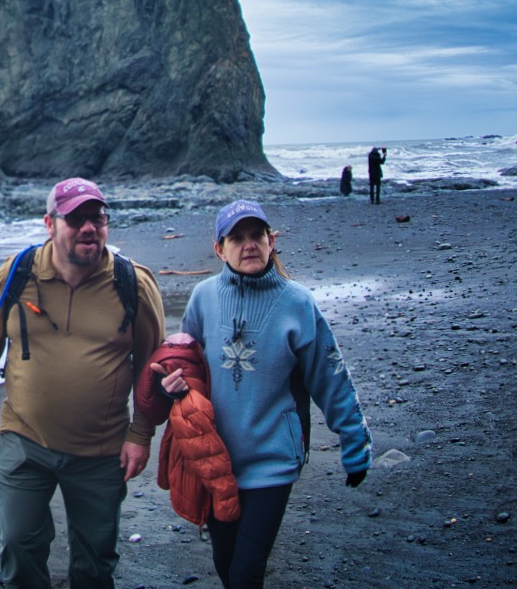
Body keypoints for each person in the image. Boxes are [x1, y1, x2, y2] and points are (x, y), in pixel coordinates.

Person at [0, 177, 165, 589]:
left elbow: (151, 366)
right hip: (24, 438)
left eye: (97, 217)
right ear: (50, 224)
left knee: (95, 559)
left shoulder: (133, 283)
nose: (89, 227)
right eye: (76, 218)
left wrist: (140, 434)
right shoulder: (16, 274)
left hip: (102, 449)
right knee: (19, 546)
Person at [152, 200, 371, 589]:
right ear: (220, 249)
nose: (248, 244)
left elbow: (330, 376)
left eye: (257, 235)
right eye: (237, 237)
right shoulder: (204, 297)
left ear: (271, 241)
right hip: (217, 459)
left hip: (273, 460)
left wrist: (354, 444)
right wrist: (170, 385)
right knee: (225, 562)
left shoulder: (297, 303)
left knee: (246, 571)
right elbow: (187, 368)